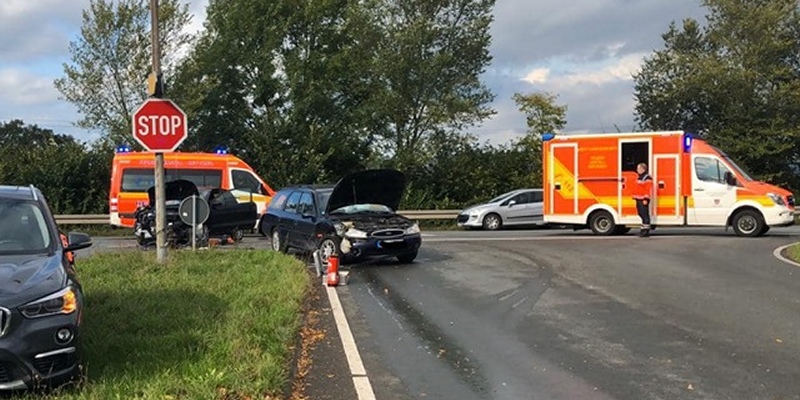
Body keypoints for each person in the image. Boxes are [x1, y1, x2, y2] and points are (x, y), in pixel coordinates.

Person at [633, 163, 654, 237]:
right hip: (639, 198)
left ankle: (646, 231)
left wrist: (646, 198)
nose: (637, 170)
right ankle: (643, 230)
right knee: (641, 214)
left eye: (638, 168)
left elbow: (648, 189)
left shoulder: (647, 178)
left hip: (643, 199)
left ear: (643, 169)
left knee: (644, 215)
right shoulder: (640, 177)